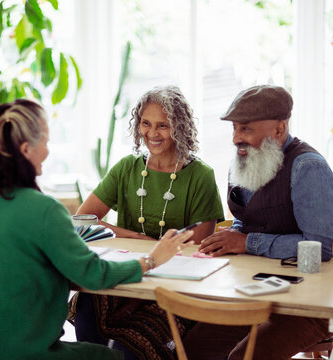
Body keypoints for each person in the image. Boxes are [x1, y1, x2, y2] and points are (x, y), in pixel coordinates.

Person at [0, 99, 193, 360]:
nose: (48, 152)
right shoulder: (43, 210)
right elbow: (93, 275)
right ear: (26, 149)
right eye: (46, 143)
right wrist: (152, 259)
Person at [183, 85, 333, 360]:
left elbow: (319, 247)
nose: (235, 138)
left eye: (245, 129)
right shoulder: (244, 161)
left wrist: (246, 243)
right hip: (256, 292)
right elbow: (246, 221)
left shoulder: (309, 168)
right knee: (194, 346)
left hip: (309, 305)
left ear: (279, 130)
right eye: (234, 128)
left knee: (243, 357)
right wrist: (228, 241)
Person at [73, 86, 225, 359]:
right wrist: (136, 238)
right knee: (87, 306)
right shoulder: (126, 167)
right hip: (130, 276)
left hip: (174, 287)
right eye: (145, 123)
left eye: (162, 126)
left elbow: (201, 245)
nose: (152, 134)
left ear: (179, 127)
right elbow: (83, 220)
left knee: (133, 346)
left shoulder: (200, 175)